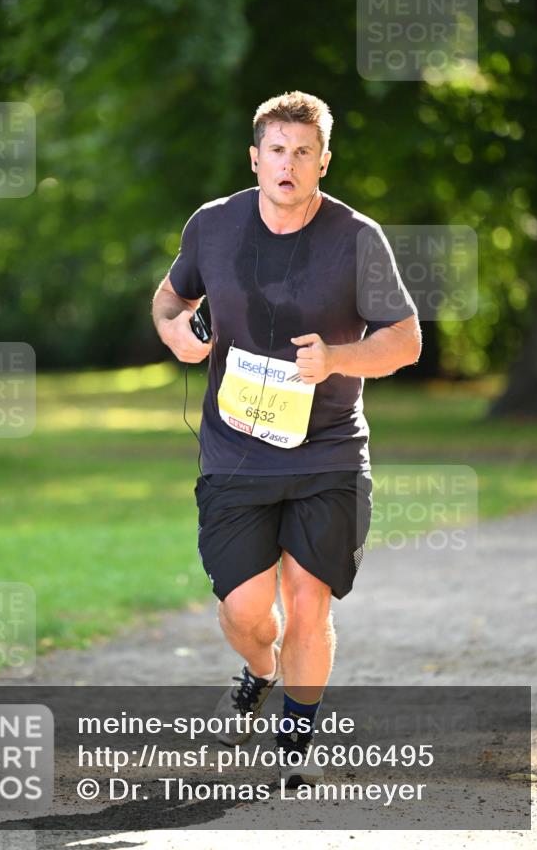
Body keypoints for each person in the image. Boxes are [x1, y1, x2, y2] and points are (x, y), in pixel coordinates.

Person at [151, 90, 421, 785]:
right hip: (235, 449)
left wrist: (336, 359)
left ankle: (293, 749)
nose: (288, 164)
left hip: (327, 448)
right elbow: (170, 297)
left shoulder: (355, 237)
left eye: (303, 152)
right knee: (247, 612)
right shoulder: (213, 226)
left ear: (322, 162)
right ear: (255, 156)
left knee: (307, 602)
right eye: (276, 150)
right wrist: (180, 334)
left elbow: (404, 340)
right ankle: (258, 668)